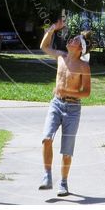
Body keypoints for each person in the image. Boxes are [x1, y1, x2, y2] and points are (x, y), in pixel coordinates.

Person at [38, 18, 92, 197]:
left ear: (80, 48)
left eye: (75, 40)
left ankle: (63, 182)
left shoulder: (84, 66)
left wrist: (69, 91)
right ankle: (47, 176)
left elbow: (86, 92)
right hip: (56, 103)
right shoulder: (60, 56)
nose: (71, 40)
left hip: (73, 109)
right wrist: (53, 28)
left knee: (67, 150)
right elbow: (44, 46)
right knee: (46, 138)